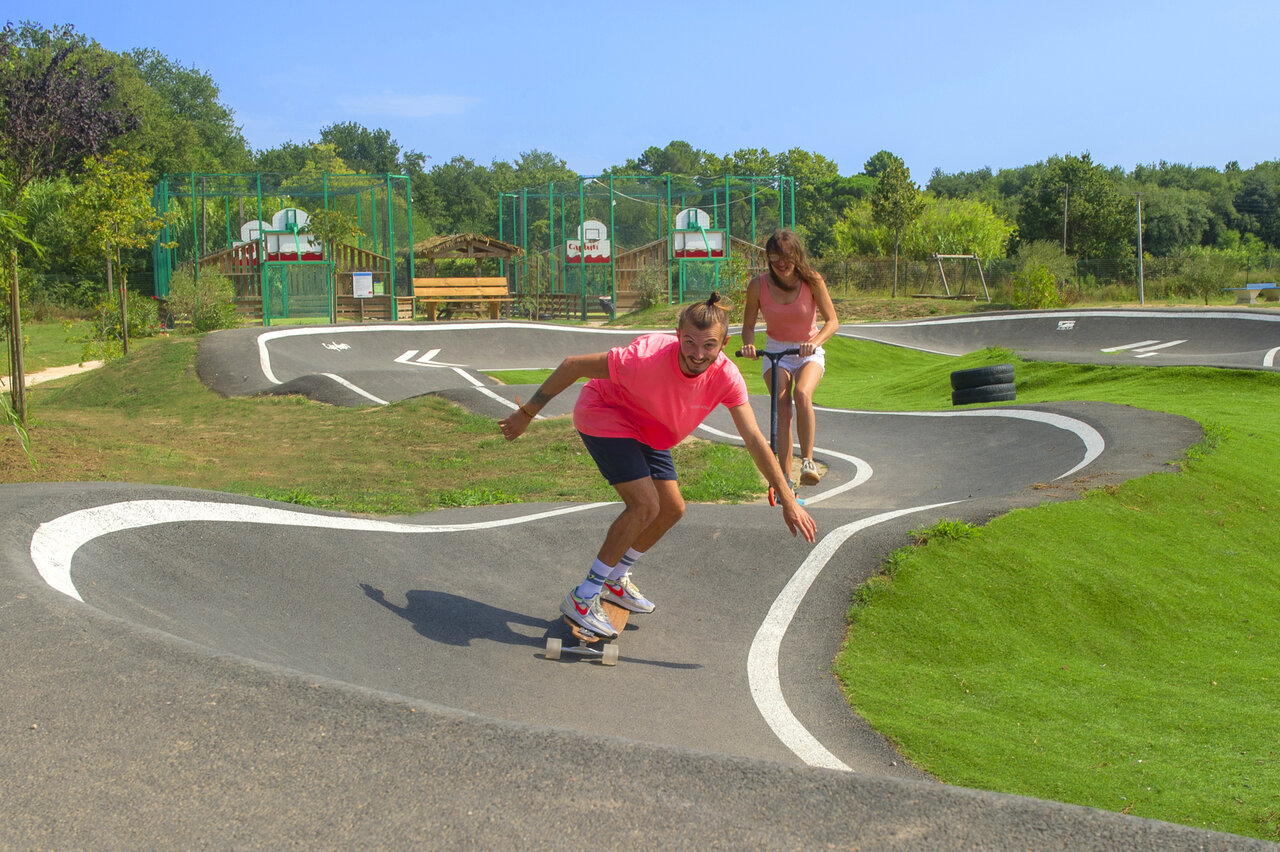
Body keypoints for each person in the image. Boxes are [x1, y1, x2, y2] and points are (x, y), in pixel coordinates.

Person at [498, 293, 818, 639]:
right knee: (645, 505)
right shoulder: (644, 358)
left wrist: (787, 497)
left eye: (709, 345)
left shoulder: (726, 377)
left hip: (651, 430)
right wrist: (527, 413)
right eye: (690, 342)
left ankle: (616, 577)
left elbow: (754, 439)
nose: (697, 354)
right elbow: (573, 366)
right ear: (678, 333)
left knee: (672, 508)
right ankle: (584, 595)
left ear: (724, 343)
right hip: (606, 413)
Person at [738, 229, 839, 489]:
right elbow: (748, 326)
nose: (781, 264)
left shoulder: (813, 281)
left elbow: (832, 321)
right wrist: (749, 345)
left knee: (803, 395)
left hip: (808, 350)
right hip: (776, 352)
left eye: (786, 257)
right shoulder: (758, 285)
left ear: (797, 255)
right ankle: (784, 477)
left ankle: (807, 461)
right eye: (775, 258)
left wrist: (814, 343)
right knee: (782, 408)